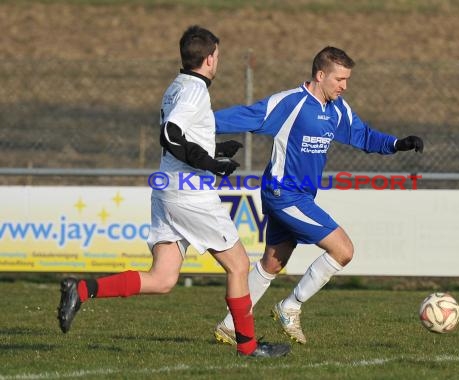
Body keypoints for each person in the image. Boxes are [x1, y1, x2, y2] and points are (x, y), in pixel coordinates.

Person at [57, 25, 291, 358]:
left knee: (163, 278)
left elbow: (183, 134)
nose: (217, 61)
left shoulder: (177, 86)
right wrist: (209, 164)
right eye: (218, 56)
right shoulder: (195, 90)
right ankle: (249, 347)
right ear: (209, 59)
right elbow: (171, 133)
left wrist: (215, 149)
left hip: (168, 189)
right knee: (239, 266)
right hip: (189, 193)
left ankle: (81, 289)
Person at [212, 46, 423, 345]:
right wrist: (198, 123)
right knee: (343, 250)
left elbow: (362, 135)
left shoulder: (337, 109)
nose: (344, 86)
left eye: (347, 80)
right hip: (284, 194)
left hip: (301, 196)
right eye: (339, 79)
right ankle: (290, 307)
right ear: (320, 75)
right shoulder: (291, 103)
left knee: (273, 262)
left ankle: (230, 325)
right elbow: (249, 116)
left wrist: (397, 144)